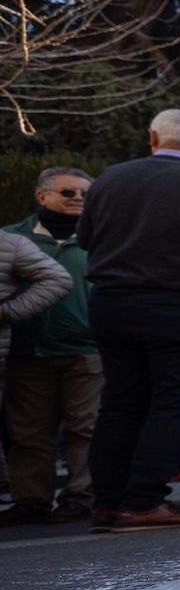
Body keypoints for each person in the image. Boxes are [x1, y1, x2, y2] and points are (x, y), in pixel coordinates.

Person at [76, 109, 180, 532]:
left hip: (110, 301)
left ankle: (107, 503)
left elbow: (84, 239)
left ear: (152, 137)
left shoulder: (111, 178)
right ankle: (142, 502)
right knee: (174, 403)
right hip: (177, 305)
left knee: (119, 403)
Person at [1, 169, 98, 526]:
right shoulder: (12, 238)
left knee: (86, 428)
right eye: (68, 192)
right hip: (29, 350)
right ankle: (31, 500)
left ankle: (80, 496)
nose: (78, 198)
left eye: (86, 194)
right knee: (29, 432)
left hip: (88, 349)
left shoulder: (100, 238)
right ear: (42, 197)